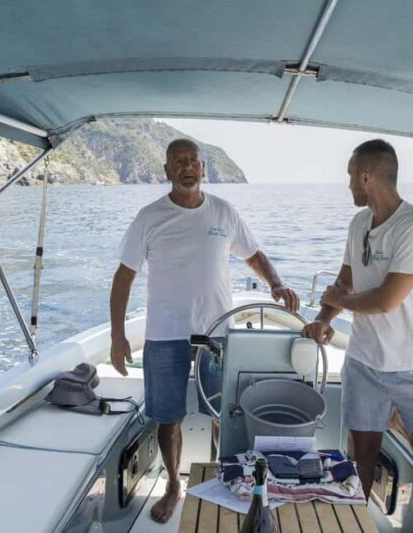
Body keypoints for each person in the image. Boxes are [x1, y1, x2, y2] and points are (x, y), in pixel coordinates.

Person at [110, 138, 299, 523]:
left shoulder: (224, 212)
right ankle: (174, 486)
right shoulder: (149, 217)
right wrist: (117, 336)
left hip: (216, 333)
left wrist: (276, 284)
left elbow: (253, 255)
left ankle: (222, 477)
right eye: (178, 162)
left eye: (193, 161)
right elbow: (124, 277)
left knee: (222, 414)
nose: (187, 167)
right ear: (166, 170)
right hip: (164, 335)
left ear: (203, 168)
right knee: (168, 417)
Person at [302, 139, 413, 498]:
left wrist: (339, 299)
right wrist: (325, 318)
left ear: (365, 176)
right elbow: (345, 281)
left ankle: (398, 417)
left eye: (349, 176)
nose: (347, 185)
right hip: (364, 364)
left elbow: (387, 300)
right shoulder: (359, 223)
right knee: (359, 462)